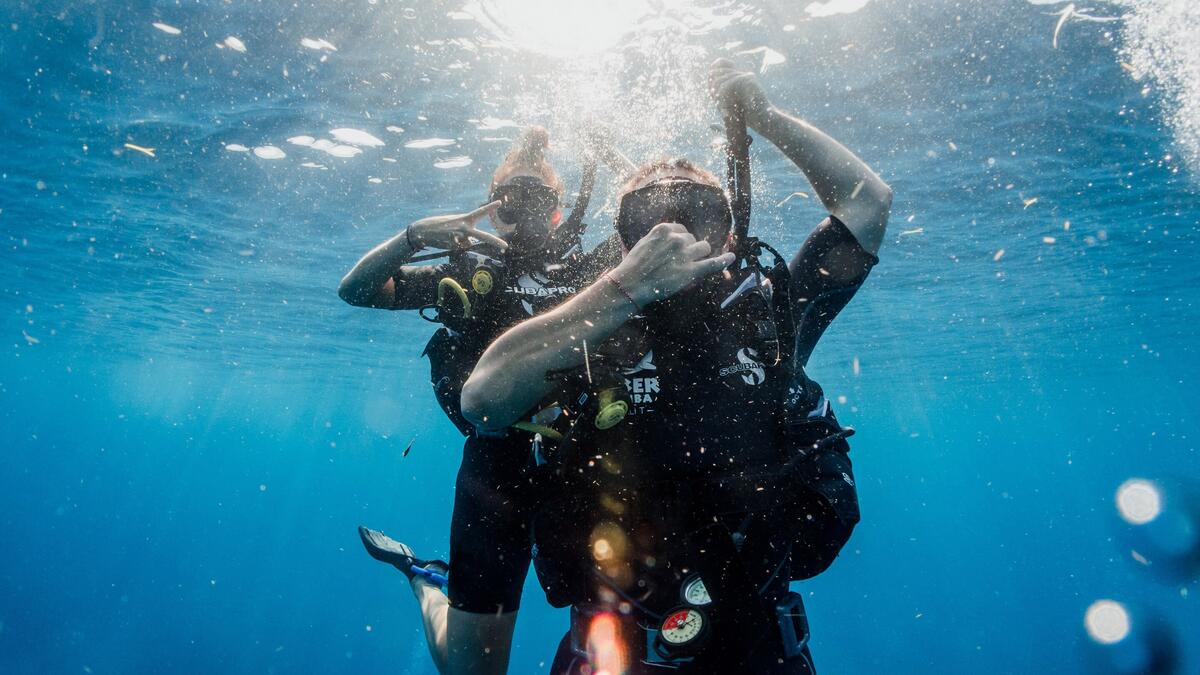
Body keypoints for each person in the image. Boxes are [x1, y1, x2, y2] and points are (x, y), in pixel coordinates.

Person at [459, 58, 892, 673]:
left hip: (757, 653)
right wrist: (621, 292)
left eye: (698, 212)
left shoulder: (768, 315)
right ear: (622, 237)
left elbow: (868, 202)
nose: (674, 232)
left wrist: (765, 119)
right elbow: (482, 400)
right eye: (649, 219)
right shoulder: (587, 315)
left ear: (729, 229)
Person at [339, 127, 624, 674]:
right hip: (494, 475)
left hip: (586, 470)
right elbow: (356, 290)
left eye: (537, 201)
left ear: (561, 211)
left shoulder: (591, 273)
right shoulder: (465, 275)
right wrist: (415, 235)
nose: (525, 216)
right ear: (492, 213)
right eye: (510, 202)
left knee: (617, 635)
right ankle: (428, 579)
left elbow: (667, 228)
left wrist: (613, 157)